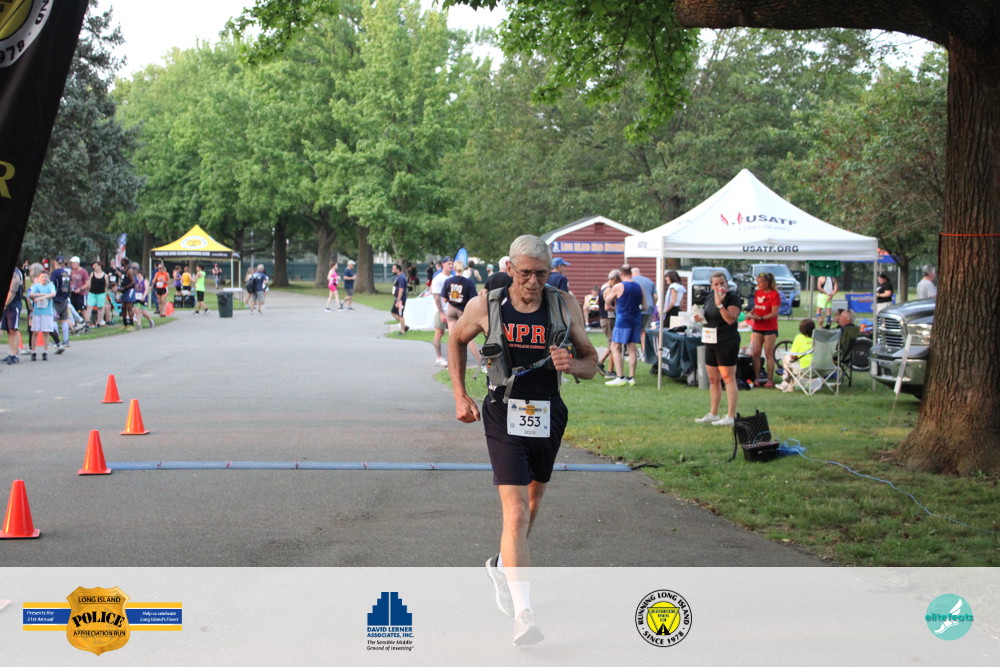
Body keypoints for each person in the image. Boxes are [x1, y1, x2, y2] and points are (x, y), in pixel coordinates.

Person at [447, 234, 597, 646]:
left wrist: (574, 365)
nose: (533, 282)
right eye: (526, 273)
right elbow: (456, 340)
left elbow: (591, 360)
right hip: (503, 412)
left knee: (531, 506)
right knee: (514, 513)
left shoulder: (563, 305)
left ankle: (501, 565)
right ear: (510, 268)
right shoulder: (486, 305)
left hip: (548, 412)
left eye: (541, 274)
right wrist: (459, 395)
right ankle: (524, 614)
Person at [693, 271, 741, 426]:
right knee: (713, 379)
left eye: (722, 283)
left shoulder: (732, 298)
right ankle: (713, 413)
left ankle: (731, 416)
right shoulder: (709, 297)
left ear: (727, 283)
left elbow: (730, 319)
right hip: (710, 340)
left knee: (728, 378)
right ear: (711, 286)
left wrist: (720, 304)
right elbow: (708, 317)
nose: (720, 286)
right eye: (716, 284)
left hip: (727, 341)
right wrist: (700, 317)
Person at [604, 265, 646, 386]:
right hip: (636, 319)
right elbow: (645, 306)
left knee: (615, 347)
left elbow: (608, 301)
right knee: (632, 349)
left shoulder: (619, 286)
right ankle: (631, 377)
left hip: (623, 319)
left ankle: (620, 376)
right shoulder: (639, 287)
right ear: (631, 273)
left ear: (621, 275)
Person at [443, 260, 482, 369]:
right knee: (469, 339)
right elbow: (473, 299)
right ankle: (480, 361)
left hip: (451, 310)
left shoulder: (448, 281)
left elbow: (444, 299)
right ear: (464, 268)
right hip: (463, 311)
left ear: (454, 268)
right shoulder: (469, 283)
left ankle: (451, 363)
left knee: (452, 338)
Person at [748, 272, 780, 387]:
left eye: (760, 282)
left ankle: (769, 380)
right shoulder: (758, 293)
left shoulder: (774, 294)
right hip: (757, 327)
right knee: (756, 353)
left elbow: (774, 313)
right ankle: (757, 378)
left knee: (768, 353)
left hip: (770, 327)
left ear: (767, 282)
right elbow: (756, 306)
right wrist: (751, 313)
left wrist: (761, 318)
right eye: (757, 282)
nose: (758, 285)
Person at [777, 319, 816, 392]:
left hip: (804, 368)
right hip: (817, 368)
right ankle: (788, 383)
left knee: (786, 357)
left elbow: (793, 356)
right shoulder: (817, 339)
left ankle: (787, 383)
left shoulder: (799, 337)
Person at [430, 256, 454, 367]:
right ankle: (439, 357)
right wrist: (441, 313)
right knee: (439, 333)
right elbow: (436, 297)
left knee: (453, 334)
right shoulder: (438, 279)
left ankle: (453, 357)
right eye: (449, 263)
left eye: (452, 263)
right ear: (443, 264)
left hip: (452, 311)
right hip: (442, 310)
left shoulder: (453, 278)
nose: (451, 265)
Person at [28, 268, 57, 360]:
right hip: (37, 312)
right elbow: (31, 294)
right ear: (39, 278)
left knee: (46, 331)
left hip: (47, 312)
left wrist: (42, 297)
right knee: (35, 331)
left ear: (48, 278)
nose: (44, 279)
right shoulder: (36, 286)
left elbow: (53, 294)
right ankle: (33, 351)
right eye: (42, 277)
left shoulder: (50, 285)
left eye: (45, 277)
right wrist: (40, 295)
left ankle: (45, 351)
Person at [596, 269, 619, 379]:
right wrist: (618, 309)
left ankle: (600, 364)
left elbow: (597, 302)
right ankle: (610, 371)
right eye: (618, 281)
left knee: (612, 345)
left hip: (604, 319)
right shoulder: (609, 290)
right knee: (613, 345)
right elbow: (608, 306)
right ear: (614, 279)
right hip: (608, 319)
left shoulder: (603, 286)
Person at [2, 265, 24, 364]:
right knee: (8, 330)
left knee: (13, 330)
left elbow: (13, 290)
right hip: (7, 305)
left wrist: (5, 304)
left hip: (13, 305)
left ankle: (15, 355)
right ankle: (11, 353)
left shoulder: (15, 272)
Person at [50, 255, 71, 352]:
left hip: (56, 298)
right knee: (64, 319)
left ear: (55, 262)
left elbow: (52, 285)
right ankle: (66, 340)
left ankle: (56, 340)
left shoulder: (55, 273)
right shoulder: (66, 272)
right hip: (65, 298)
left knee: (54, 319)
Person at [631, 266, 657, 332]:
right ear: (640, 273)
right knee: (645, 330)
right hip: (648, 308)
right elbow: (655, 296)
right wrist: (653, 305)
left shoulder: (630, 281)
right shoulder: (649, 281)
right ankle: (644, 339)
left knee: (634, 329)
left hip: (634, 308)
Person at [86, 262, 109, 326]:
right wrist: (88, 290)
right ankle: (87, 322)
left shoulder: (105, 276)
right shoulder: (92, 274)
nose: (94, 267)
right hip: (92, 293)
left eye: (96, 266)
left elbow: (106, 285)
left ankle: (99, 322)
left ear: (99, 266)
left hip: (101, 293)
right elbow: (89, 283)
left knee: (100, 308)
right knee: (89, 307)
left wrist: (105, 293)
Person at [389, 263, 408, 334]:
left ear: (398, 269)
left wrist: (399, 299)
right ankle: (404, 326)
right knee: (393, 312)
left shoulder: (401, 278)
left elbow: (401, 289)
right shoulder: (398, 277)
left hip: (400, 299)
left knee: (400, 315)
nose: (392, 270)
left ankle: (402, 331)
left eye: (394, 269)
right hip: (397, 298)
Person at [119, 263, 137, 329]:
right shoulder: (123, 271)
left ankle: (131, 324)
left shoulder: (130, 270)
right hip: (124, 291)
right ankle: (125, 324)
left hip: (129, 290)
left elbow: (133, 282)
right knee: (123, 307)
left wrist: (125, 287)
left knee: (129, 307)